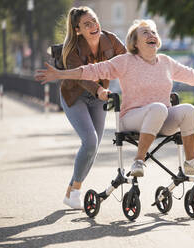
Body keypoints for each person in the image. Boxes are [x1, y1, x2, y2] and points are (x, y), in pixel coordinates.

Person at [35, 19, 194, 180]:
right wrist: (62, 74)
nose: (152, 35)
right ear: (135, 42)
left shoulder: (166, 62)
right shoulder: (125, 61)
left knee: (188, 110)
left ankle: (191, 162)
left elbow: (192, 75)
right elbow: (92, 70)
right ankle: (138, 161)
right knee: (158, 108)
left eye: (154, 33)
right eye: (146, 33)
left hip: (161, 118)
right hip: (132, 118)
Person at [54, 6, 126, 210]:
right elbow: (82, 77)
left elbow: (127, 61)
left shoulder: (110, 39)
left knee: (93, 147)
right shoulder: (71, 50)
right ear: (78, 30)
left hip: (99, 97)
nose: (94, 26)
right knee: (90, 140)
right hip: (75, 96)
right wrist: (99, 90)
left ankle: (70, 191)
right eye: (87, 24)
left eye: (94, 21)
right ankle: (76, 191)